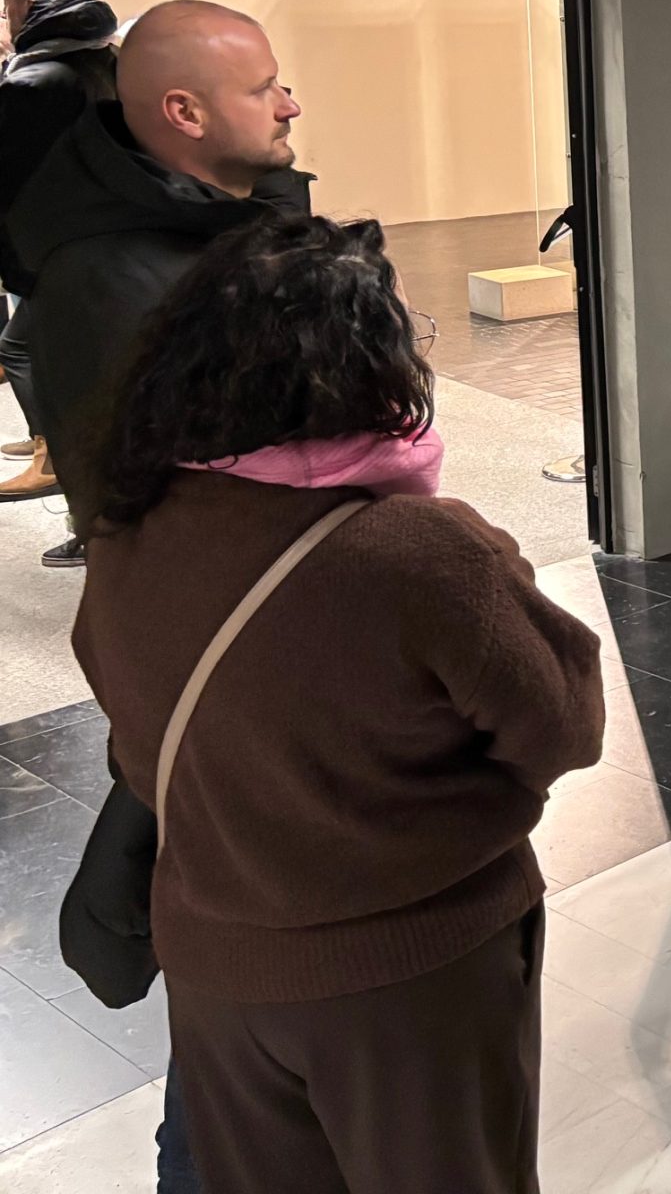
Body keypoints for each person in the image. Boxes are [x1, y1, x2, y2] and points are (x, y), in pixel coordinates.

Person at [73, 213, 603, 1194]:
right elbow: (567, 725)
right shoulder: (422, 554)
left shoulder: (128, 527)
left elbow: (130, 733)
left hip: (217, 973)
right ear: (366, 367)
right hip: (411, 973)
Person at [12, 1, 309, 569]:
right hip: (225, 587)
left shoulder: (235, 220)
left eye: (281, 84)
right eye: (262, 90)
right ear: (186, 113)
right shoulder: (115, 279)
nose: (289, 106)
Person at [0, 0, 120, 506]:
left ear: (27, 6)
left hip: (61, 245)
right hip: (97, 238)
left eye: (7, 9)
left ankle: (55, 461)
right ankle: (49, 448)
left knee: (27, 351)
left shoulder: (39, 78)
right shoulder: (103, 56)